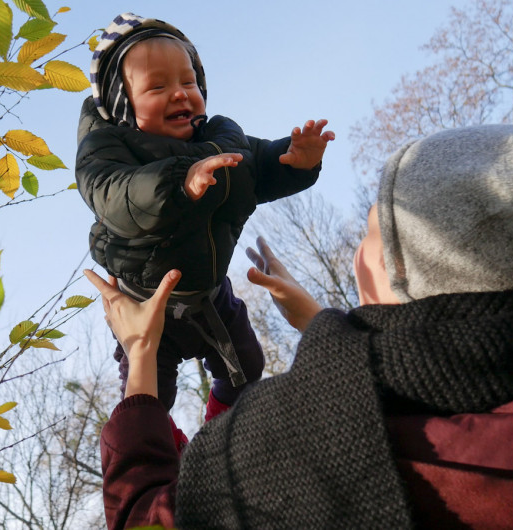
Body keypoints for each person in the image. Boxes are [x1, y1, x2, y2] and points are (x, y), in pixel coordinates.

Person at [85, 124, 513, 529]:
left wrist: (141, 352)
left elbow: (144, 515)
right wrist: (322, 327)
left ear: (396, 266)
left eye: (371, 231)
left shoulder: (300, 453)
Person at [75, 12, 335, 436]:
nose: (180, 94)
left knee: (247, 369)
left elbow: (255, 165)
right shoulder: (111, 146)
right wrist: (179, 181)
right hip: (146, 305)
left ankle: (218, 440)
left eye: (188, 82)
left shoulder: (221, 138)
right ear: (123, 102)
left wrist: (294, 161)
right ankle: (164, 460)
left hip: (211, 295)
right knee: (148, 402)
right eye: (158, 86)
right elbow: (111, 194)